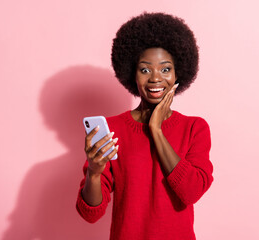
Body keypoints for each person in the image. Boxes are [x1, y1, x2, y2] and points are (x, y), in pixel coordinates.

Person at [76, 12, 214, 240]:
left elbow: (191, 192)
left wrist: (156, 129)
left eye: (165, 69)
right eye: (145, 69)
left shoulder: (194, 128)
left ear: (179, 72)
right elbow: (90, 214)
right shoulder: (113, 129)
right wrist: (93, 173)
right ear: (132, 73)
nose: (155, 78)